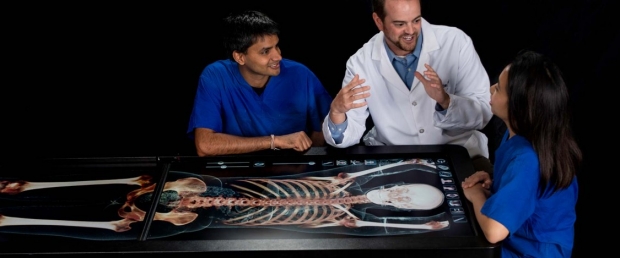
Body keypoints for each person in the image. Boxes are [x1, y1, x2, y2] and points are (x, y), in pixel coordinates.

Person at [323, 0, 493, 173]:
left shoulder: (456, 42)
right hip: (395, 162)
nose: (411, 31)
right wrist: (337, 112)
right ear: (378, 21)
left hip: (461, 155)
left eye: (416, 20)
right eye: (400, 24)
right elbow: (347, 136)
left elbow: (484, 113)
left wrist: (446, 101)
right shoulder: (360, 62)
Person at [461, 50, 581, 257]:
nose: (491, 89)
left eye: (498, 88)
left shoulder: (527, 159)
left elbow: (494, 231)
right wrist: (498, 183)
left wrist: (477, 195)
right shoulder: (527, 136)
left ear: (519, 106)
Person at [187, 10, 333, 156]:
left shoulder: (300, 74)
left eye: (276, 46)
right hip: (238, 170)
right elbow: (205, 146)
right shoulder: (215, 76)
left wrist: (308, 160)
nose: (278, 56)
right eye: (265, 51)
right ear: (239, 57)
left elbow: (327, 120)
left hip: (292, 168)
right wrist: (275, 141)